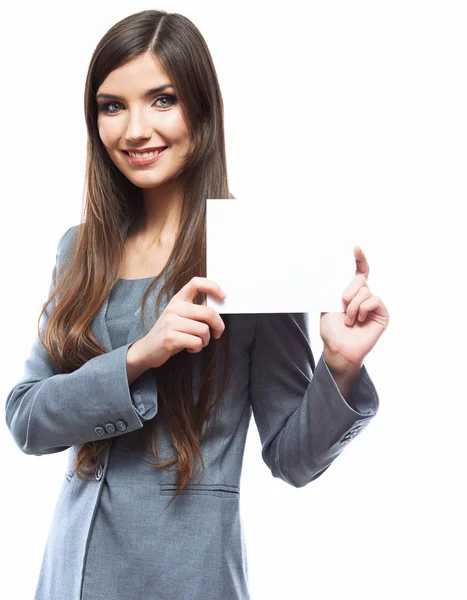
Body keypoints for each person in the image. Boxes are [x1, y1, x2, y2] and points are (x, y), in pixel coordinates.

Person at [5, 9, 389, 600]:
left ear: (202, 109)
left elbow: (292, 458)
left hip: (186, 579)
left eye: (162, 100)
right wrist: (139, 356)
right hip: (70, 575)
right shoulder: (80, 249)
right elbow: (29, 419)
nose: (134, 130)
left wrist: (338, 367)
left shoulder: (254, 250)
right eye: (113, 106)